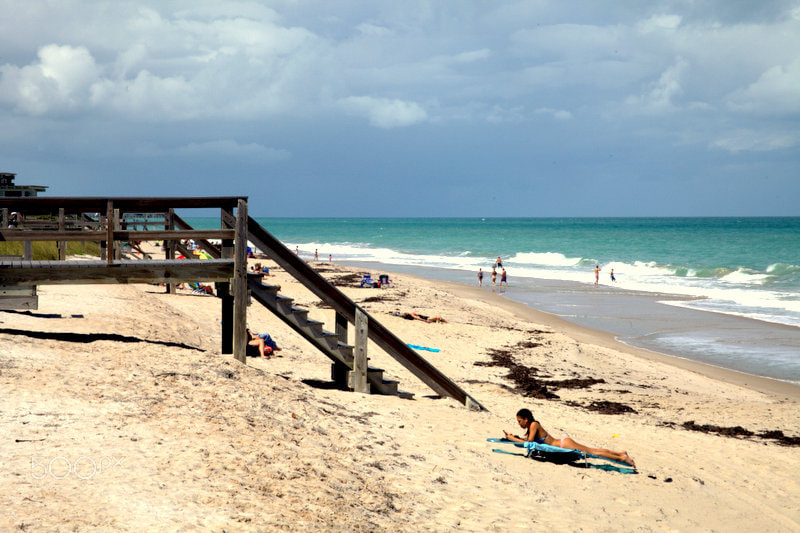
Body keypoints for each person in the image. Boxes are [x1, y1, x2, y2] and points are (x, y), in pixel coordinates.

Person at [503, 408, 635, 468]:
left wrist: (512, 439)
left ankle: (622, 457)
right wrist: (514, 437)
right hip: (562, 444)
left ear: (526, 419)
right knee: (592, 450)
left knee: (593, 452)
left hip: (563, 445)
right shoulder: (530, 427)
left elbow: (529, 443)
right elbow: (527, 440)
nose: (519, 424)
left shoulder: (534, 425)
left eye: (519, 421)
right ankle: (620, 454)